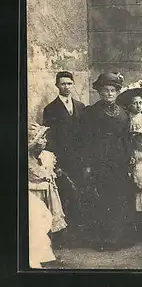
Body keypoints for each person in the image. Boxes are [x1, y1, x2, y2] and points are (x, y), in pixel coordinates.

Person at [79, 72, 136, 251]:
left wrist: (131, 155)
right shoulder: (91, 112)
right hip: (100, 161)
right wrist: (87, 164)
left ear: (117, 92)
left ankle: (121, 238)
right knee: (103, 200)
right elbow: (86, 140)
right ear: (99, 92)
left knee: (120, 198)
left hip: (119, 160)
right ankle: (102, 240)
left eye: (112, 90)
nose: (109, 94)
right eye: (105, 91)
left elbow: (127, 137)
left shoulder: (123, 112)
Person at [42, 71, 86, 246]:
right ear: (57, 86)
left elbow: (86, 135)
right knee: (63, 197)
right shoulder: (50, 109)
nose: (66, 87)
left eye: (69, 83)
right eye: (63, 84)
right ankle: (64, 238)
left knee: (79, 195)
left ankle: (79, 235)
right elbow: (50, 139)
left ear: (73, 84)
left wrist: (86, 161)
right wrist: (56, 164)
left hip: (79, 160)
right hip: (62, 161)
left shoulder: (81, 106)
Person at [116, 87, 142, 241]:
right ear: (129, 105)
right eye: (135, 103)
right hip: (134, 155)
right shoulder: (127, 119)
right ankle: (136, 228)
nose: (138, 106)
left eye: (141, 102)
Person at [28, 122, 67, 235]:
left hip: (48, 193)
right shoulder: (27, 160)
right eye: (42, 138)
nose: (45, 141)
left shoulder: (47, 156)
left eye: (45, 138)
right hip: (35, 194)